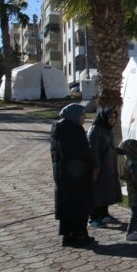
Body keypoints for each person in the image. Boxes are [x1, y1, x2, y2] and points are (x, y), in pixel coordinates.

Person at [51, 104, 96, 247]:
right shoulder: (75, 130)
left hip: (62, 174)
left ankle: (67, 235)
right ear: (74, 116)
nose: (84, 118)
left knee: (67, 205)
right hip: (78, 175)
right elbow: (82, 153)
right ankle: (80, 234)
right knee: (80, 205)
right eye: (82, 115)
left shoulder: (57, 129)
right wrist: (91, 167)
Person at [87, 109, 123, 227]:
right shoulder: (95, 130)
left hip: (108, 167)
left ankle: (104, 215)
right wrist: (96, 168)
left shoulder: (107, 130)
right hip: (99, 168)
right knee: (97, 192)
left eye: (114, 117)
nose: (112, 120)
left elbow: (110, 148)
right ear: (103, 118)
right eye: (110, 117)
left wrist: (125, 151)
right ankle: (94, 217)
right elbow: (93, 150)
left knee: (106, 192)